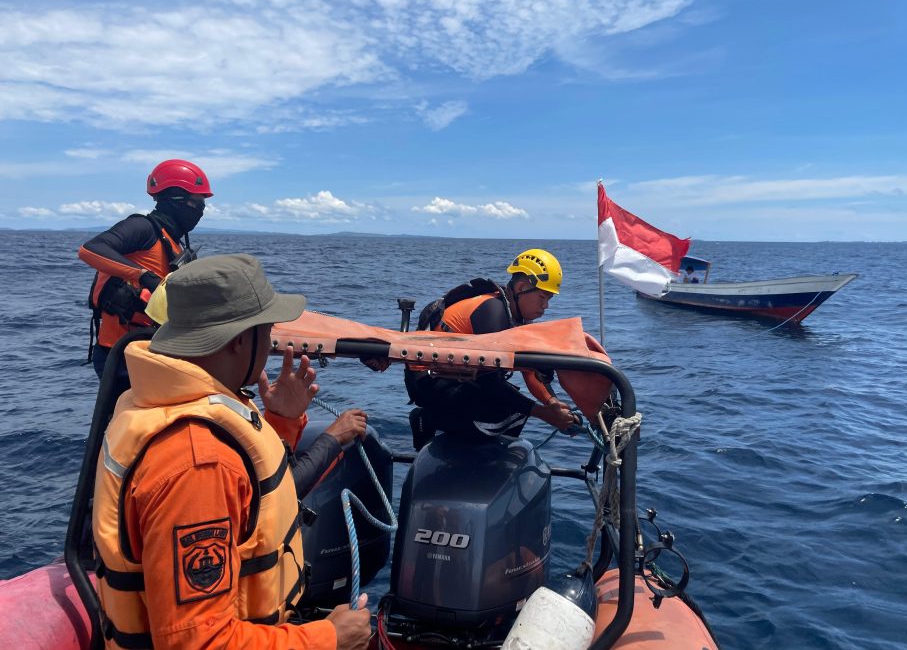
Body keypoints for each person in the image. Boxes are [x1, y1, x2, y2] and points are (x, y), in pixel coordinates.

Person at [91, 254, 372, 650]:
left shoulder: (158, 402)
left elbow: (248, 497)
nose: (271, 342)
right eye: (267, 329)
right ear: (240, 339)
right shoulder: (198, 462)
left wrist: (281, 421)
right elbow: (197, 642)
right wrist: (329, 638)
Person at [405, 248, 578, 450]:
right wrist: (543, 414)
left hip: (459, 382)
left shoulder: (513, 316)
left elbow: (530, 372)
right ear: (521, 288)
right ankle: (429, 419)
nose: (546, 306)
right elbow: (489, 382)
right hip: (432, 384)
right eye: (543, 297)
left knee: (513, 408)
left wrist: (551, 402)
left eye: (549, 299)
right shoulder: (492, 312)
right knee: (510, 412)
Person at [78, 158, 212, 397]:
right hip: (121, 355)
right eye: (196, 203)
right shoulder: (142, 227)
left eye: (203, 204)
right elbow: (90, 250)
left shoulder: (174, 243)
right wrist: (143, 276)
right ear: (174, 200)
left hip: (155, 352)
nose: (200, 211)